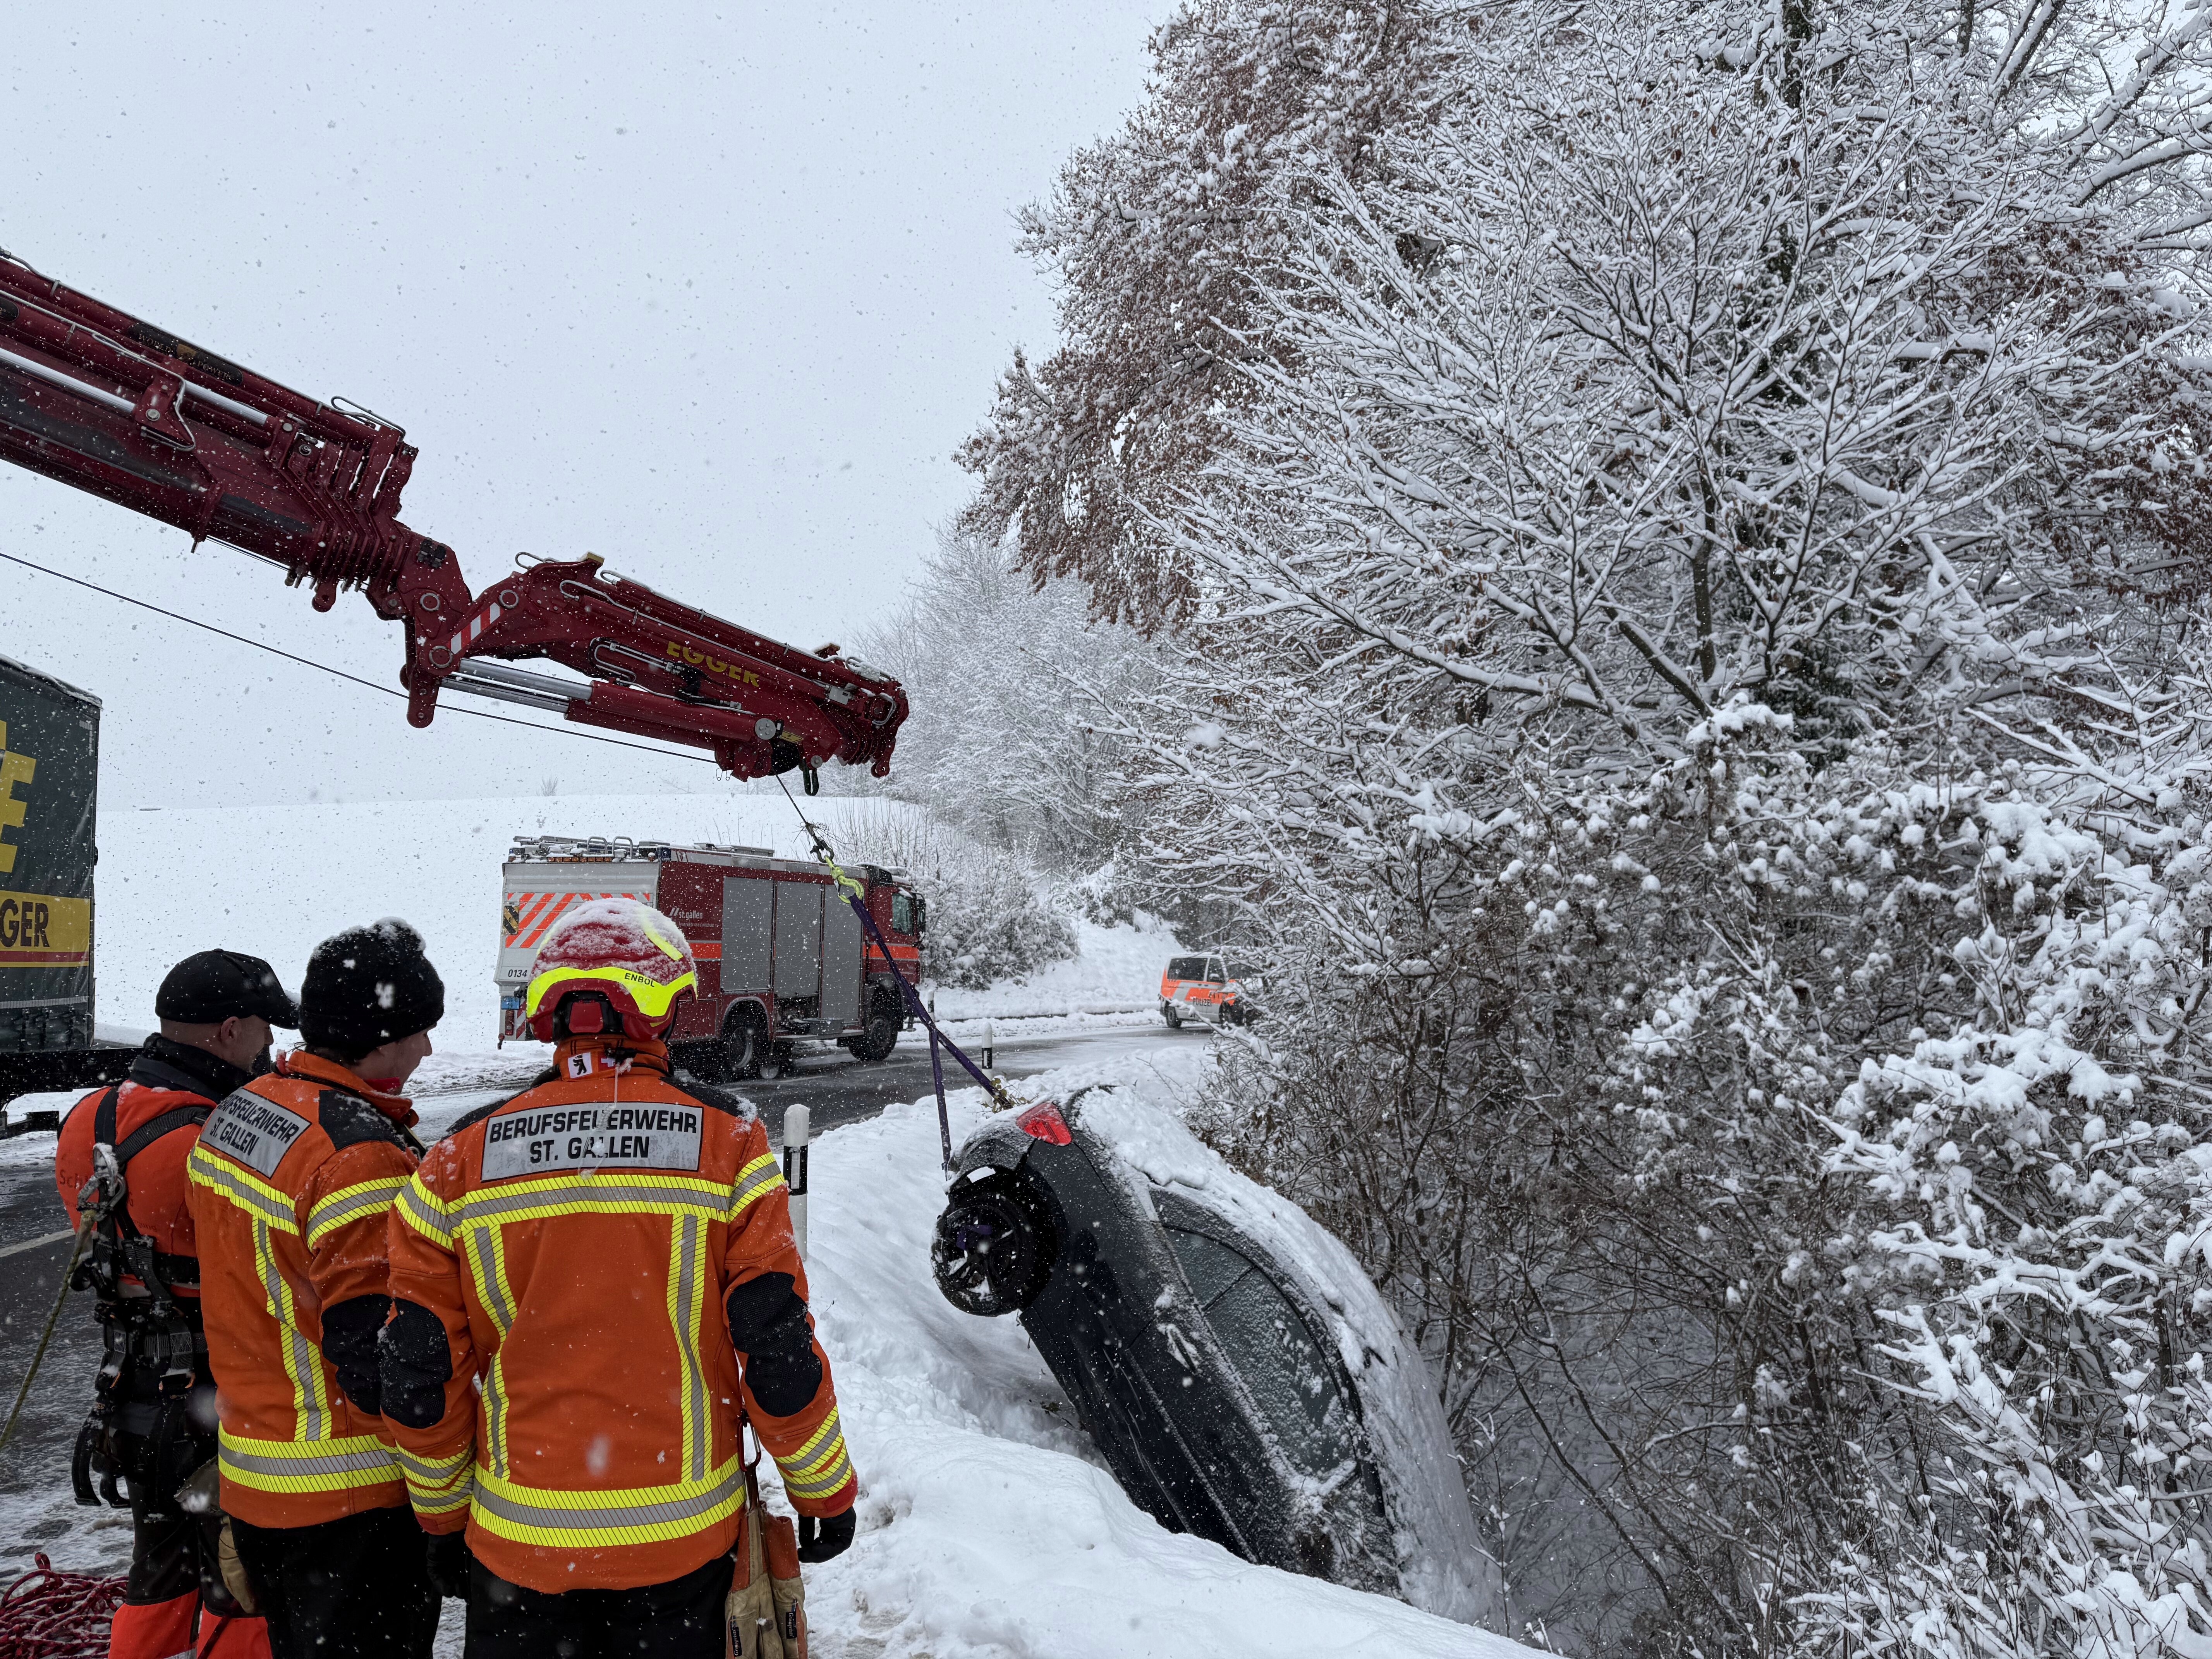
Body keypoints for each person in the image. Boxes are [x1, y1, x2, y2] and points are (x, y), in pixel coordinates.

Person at [382, 898, 857, 1659]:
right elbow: (774, 1344)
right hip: (680, 1547)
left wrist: (442, 1516)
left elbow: (419, 1365)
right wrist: (822, 1486)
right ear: (663, 1012)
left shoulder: (456, 1159)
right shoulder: (728, 1141)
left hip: (519, 1550)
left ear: (548, 1014)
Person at [184, 919, 446, 1659]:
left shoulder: (244, 1110)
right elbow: (377, 1359)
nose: (428, 1050)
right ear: (380, 1038)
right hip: (351, 1499)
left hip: (259, 1479)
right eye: (419, 1032)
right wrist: (450, 1472)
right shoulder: (357, 1158)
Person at [54, 950, 295, 1659]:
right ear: (230, 1030)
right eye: (264, 1028)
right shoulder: (220, 1136)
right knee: (239, 1583)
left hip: (131, 1393)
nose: (269, 1045)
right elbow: (271, 1272)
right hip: (216, 1400)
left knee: (159, 1572)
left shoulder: (88, 1117)